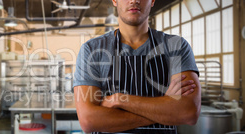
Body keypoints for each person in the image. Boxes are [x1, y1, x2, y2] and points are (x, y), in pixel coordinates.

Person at [73, 0, 201, 133]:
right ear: (115, 1)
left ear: (152, 1)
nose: (134, 0)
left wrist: (120, 100)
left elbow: (188, 113)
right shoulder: (92, 49)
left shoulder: (176, 46)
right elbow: (89, 121)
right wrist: (165, 109)